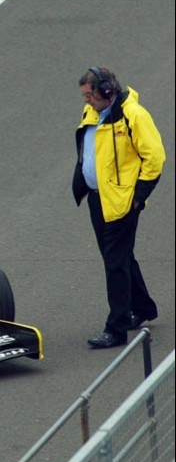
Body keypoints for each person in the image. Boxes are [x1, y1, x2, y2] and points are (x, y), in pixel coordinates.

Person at [72, 67, 166, 349]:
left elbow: (155, 158)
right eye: (85, 96)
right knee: (119, 256)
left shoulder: (134, 115)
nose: (87, 101)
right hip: (97, 198)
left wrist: (137, 197)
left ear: (107, 92)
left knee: (115, 263)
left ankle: (116, 328)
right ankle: (143, 307)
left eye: (90, 95)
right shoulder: (91, 112)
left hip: (122, 203)